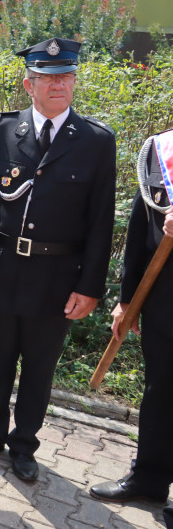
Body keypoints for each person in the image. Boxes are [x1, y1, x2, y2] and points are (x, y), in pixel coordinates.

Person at [0, 38, 116, 482]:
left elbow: (101, 222)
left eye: (66, 75)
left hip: (57, 275)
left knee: (39, 365)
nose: (59, 84)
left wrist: (90, 287)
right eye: (48, 77)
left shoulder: (96, 141)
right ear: (29, 84)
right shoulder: (2, 131)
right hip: (3, 265)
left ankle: (24, 444)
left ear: (75, 80)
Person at [88, 134, 173, 506]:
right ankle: (149, 479)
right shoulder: (162, 150)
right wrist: (126, 301)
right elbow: (139, 233)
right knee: (160, 394)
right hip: (165, 301)